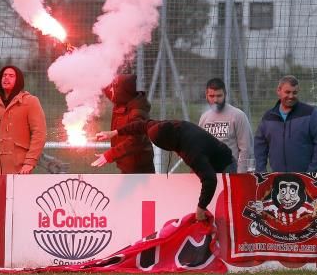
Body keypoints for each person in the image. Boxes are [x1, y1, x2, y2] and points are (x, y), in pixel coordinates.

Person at [94, 119, 233, 222]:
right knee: (201, 193)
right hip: (207, 162)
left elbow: (209, 179)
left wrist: (201, 208)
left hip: (225, 166)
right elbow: (140, 125)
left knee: (223, 209)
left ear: (168, 145)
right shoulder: (164, 126)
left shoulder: (191, 152)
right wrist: (114, 132)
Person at [0, 65, 47, 181]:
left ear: (19, 80)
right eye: (4, 75)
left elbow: (39, 133)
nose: (6, 78)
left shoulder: (31, 102)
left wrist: (30, 162)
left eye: (11, 76)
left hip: (21, 172)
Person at [253, 75, 317, 173]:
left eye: (295, 93)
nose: (291, 96)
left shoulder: (311, 115)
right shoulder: (268, 117)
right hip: (278, 180)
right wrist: (261, 172)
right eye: (287, 92)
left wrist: (311, 174)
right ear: (278, 91)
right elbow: (260, 146)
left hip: (306, 179)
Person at [96, 73, 154, 173]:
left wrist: (110, 155)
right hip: (128, 164)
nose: (110, 90)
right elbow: (108, 90)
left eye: (113, 87)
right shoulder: (123, 100)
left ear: (121, 91)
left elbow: (135, 141)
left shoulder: (137, 112)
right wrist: (96, 75)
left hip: (139, 169)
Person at [198, 77, 253, 173]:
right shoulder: (204, 118)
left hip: (231, 170)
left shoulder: (238, 115)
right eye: (212, 96)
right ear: (206, 96)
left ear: (225, 95)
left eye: (219, 96)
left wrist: (240, 174)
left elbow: (245, 148)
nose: (215, 100)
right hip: (210, 172)